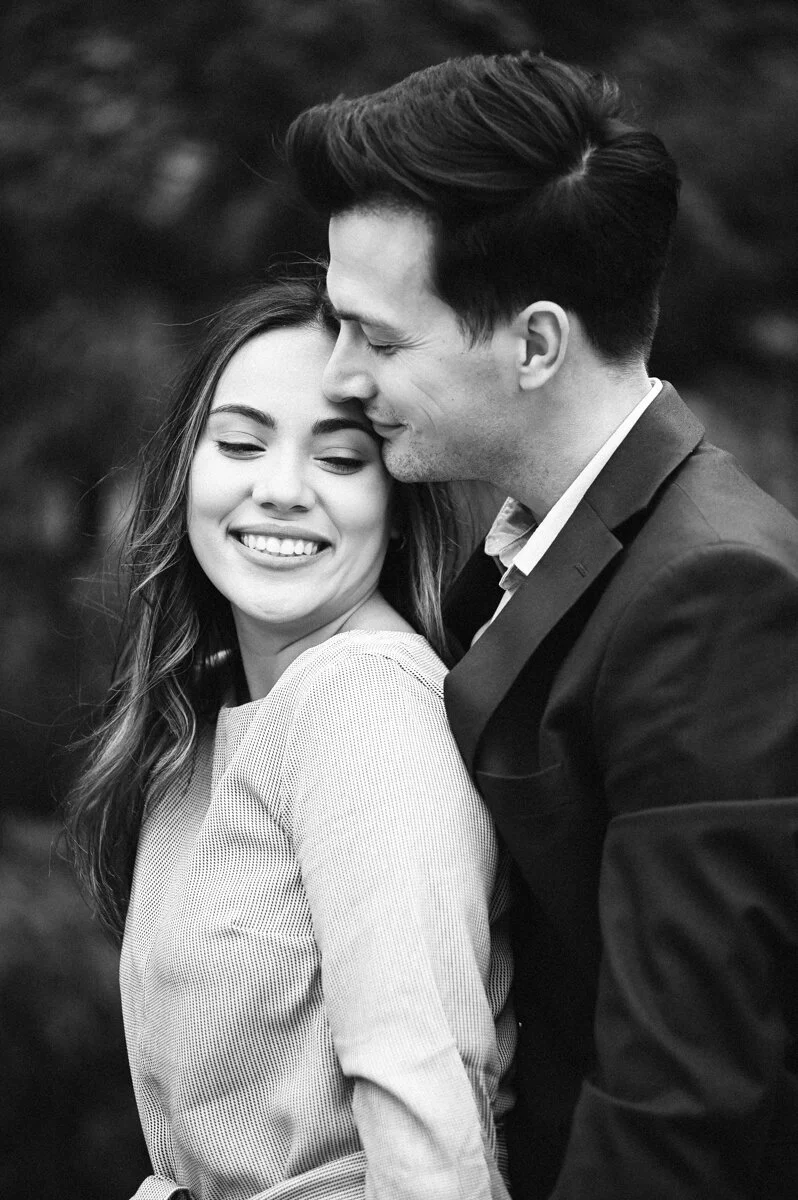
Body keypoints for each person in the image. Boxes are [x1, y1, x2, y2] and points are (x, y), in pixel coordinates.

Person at [285, 51, 798, 1199]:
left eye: (380, 339)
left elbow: (679, 1101)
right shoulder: (523, 551)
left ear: (535, 345)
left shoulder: (713, 595)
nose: (339, 377)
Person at [66, 275, 516, 1200]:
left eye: (340, 459)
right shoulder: (208, 717)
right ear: (186, 471)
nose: (279, 490)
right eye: (240, 444)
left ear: (397, 509)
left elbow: (431, 1139)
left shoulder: (365, 704)